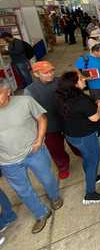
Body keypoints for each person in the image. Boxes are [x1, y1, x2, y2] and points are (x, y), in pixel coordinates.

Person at [0, 79, 63, 234]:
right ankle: (41, 213)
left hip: (34, 152)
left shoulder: (25, 101)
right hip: (7, 161)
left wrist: (39, 140)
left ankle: (54, 196)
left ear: (8, 91)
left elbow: (42, 119)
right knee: (23, 190)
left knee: (47, 178)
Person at [56, 71, 100, 204]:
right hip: (85, 136)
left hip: (71, 135)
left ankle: (93, 177)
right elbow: (95, 117)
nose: (84, 80)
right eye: (80, 79)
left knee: (87, 158)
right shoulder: (81, 100)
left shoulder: (61, 96)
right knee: (93, 161)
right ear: (74, 84)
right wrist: (98, 106)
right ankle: (90, 194)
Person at [24, 61, 81, 179]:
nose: (50, 74)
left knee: (75, 141)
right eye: (45, 73)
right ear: (36, 74)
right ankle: (63, 166)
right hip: (49, 126)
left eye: (51, 71)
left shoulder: (61, 81)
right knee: (56, 149)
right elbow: (31, 112)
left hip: (68, 120)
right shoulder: (30, 90)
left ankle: (80, 153)